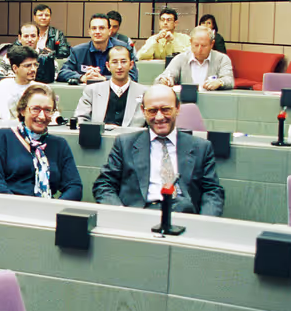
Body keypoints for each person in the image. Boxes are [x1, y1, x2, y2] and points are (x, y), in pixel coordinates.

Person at [92, 84, 225, 215]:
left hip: (184, 215)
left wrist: (204, 223)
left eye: (166, 109)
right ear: (143, 111)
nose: (159, 117)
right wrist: (121, 214)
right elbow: (104, 185)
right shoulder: (124, 144)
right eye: (152, 111)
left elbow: (212, 191)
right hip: (138, 215)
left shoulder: (201, 147)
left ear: (177, 108)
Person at [0, 84, 82, 200]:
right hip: (10, 206)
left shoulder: (59, 144)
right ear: (22, 110)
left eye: (48, 110)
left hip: (48, 209)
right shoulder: (4, 137)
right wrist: (23, 207)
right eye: (35, 109)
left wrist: (55, 207)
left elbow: (74, 187)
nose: (42, 116)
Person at [75, 45, 147, 127]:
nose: (119, 67)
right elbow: (81, 119)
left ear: (131, 65)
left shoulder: (144, 93)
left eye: (123, 62)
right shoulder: (92, 91)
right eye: (114, 62)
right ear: (108, 66)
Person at [57, 14, 138, 84]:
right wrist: (82, 77)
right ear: (89, 32)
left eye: (102, 28)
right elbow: (62, 72)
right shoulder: (78, 51)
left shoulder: (123, 49)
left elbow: (132, 76)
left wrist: (104, 79)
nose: (97, 32)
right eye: (94, 28)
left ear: (109, 31)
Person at [155, 26, 234, 91]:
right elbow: (162, 78)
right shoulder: (180, 58)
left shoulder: (222, 59)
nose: (199, 50)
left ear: (212, 44)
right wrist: (165, 80)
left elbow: (229, 81)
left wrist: (219, 82)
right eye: (196, 45)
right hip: (185, 101)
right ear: (190, 42)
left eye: (204, 46)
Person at [0, 46, 40, 121]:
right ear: (15, 68)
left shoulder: (40, 89)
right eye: (28, 66)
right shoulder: (3, 85)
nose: (33, 69)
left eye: (35, 65)